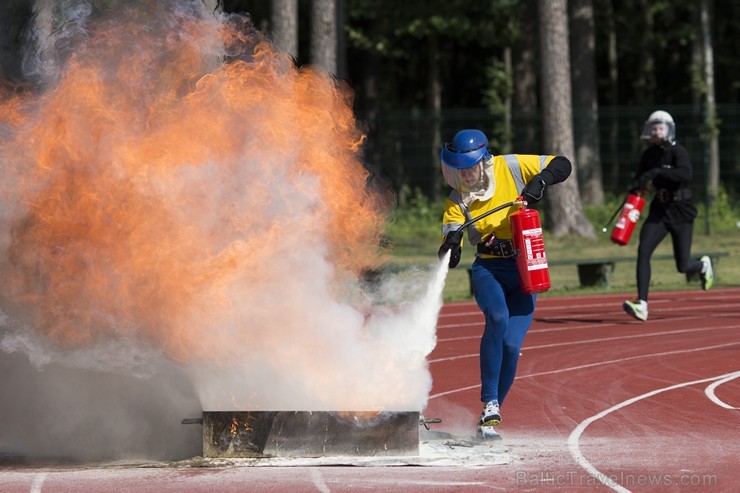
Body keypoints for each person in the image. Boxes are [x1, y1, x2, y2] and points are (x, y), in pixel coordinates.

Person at [436, 129, 571, 440]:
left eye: (469, 167)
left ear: (484, 161)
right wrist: (452, 242)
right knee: (497, 317)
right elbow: (448, 253)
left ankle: (489, 419)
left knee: (512, 344)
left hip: (525, 266)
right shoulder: (457, 200)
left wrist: (541, 180)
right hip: (488, 268)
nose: (464, 175)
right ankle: (489, 401)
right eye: (458, 169)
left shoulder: (510, 166)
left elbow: (562, 164)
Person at [622, 110, 713, 322]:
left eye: (660, 127)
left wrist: (659, 172)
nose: (656, 131)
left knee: (683, 266)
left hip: (681, 210)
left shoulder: (678, 151)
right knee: (643, 250)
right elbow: (638, 180)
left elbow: (686, 174)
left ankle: (703, 266)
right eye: (653, 127)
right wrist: (635, 189)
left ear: (669, 129)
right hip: (659, 210)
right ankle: (642, 304)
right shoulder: (649, 155)